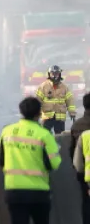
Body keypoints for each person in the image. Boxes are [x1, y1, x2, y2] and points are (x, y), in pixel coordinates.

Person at [0, 96, 61, 224]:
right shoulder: (44, 134)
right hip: (39, 192)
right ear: (39, 113)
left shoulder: (7, 132)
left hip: (14, 191)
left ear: (21, 112)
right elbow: (54, 163)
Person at [36, 65, 76, 133]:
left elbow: (70, 101)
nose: (55, 76)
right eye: (53, 74)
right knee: (44, 135)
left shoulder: (64, 87)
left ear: (60, 74)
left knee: (60, 137)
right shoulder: (43, 87)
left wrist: (72, 113)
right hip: (47, 117)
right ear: (49, 74)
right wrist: (36, 114)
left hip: (60, 118)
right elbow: (37, 101)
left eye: (56, 73)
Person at [71, 93, 90, 224]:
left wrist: (79, 171)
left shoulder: (77, 126)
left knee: (86, 204)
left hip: (86, 176)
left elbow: (74, 154)